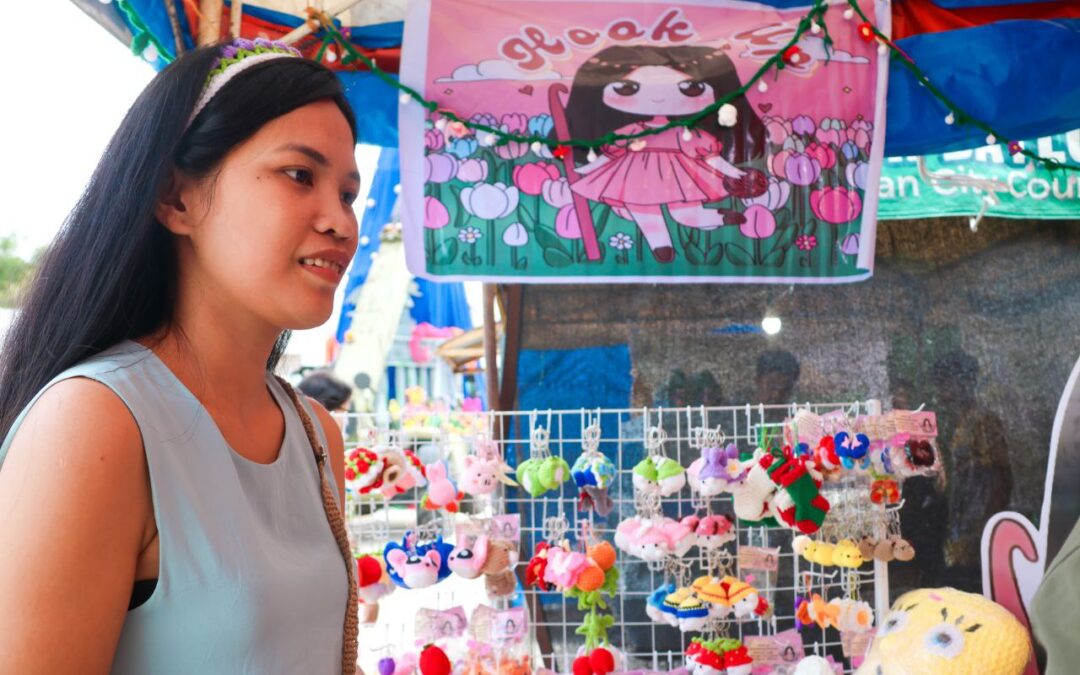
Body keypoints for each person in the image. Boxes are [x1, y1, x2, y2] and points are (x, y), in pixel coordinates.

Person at [0, 39, 361, 673]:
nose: (340, 222)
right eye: (300, 175)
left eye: (349, 194)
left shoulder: (314, 432)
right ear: (176, 198)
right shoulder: (97, 423)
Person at [562, 45, 767, 262]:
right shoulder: (631, 131)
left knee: (682, 213)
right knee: (641, 208)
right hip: (637, 176)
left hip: (679, 177)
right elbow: (611, 154)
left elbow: (709, 156)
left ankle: (713, 216)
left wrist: (734, 173)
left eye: (691, 87)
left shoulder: (684, 131)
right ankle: (660, 244)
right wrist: (589, 168)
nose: (657, 98)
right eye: (627, 88)